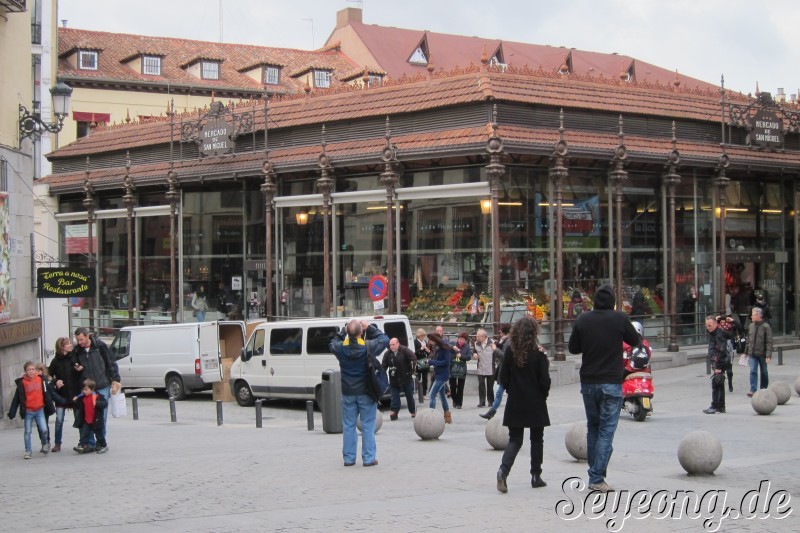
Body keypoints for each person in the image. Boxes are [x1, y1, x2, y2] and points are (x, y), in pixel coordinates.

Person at [568, 284, 640, 493]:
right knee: (606, 431)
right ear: (613, 300)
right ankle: (597, 477)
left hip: (589, 382)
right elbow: (634, 340)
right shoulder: (619, 318)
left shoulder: (583, 319)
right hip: (611, 382)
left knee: (593, 428)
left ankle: (596, 472)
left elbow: (573, 348)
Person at [496, 317, 551, 493]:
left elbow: (502, 378)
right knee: (537, 439)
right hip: (536, 402)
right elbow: (545, 381)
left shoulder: (511, 353)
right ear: (533, 333)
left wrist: (511, 391)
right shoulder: (539, 353)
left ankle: (503, 471)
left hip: (516, 401)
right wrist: (543, 394)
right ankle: (536, 475)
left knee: (515, 439)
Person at [328, 319, 389, 467]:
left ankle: (349, 459)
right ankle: (368, 458)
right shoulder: (368, 347)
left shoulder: (341, 348)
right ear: (361, 332)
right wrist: (370, 327)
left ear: (348, 333)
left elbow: (331, 343)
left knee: (348, 425)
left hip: (348, 392)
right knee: (368, 425)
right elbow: (385, 339)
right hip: (366, 392)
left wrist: (343, 331)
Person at [72, 327, 120, 447]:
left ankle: (101, 442)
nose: (79, 342)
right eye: (78, 340)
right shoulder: (77, 350)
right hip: (88, 387)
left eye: (81, 339)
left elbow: (111, 362)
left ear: (88, 336)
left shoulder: (100, 346)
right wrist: (76, 367)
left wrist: (115, 379)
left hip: (102, 384)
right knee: (88, 415)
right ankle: (90, 443)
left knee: (100, 416)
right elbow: (73, 363)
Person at [7, 361, 55, 459]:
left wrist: (53, 405)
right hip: (28, 410)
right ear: (25, 371)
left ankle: (45, 444)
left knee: (44, 429)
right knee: (27, 432)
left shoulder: (41, 380)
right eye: (29, 370)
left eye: (33, 369)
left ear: (36, 371)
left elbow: (48, 394)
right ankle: (28, 451)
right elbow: (16, 399)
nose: (31, 372)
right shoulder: (22, 383)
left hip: (40, 409)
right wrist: (12, 412)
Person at [48, 337, 81, 452]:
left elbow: (81, 370)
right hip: (61, 395)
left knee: (79, 418)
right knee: (59, 420)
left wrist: (80, 369)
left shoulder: (74, 357)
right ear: (61, 347)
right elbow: (48, 375)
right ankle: (57, 443)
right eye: (68, 344)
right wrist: (55, 381)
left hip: (75, 393)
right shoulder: (55, 361)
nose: (71, 345)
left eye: (71, 343)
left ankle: (83, 441)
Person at [480, 323, 511, 420]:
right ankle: (491, 412)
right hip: (505, 371)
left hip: (506, 371)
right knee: (500, 393)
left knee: (502, 393)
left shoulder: (508, 341)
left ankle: (492, 412)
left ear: (504, 332)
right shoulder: (505, 341)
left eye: (500, 331)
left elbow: (505, 356)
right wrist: (497, 345)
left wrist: (495, 349)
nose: (499, 333)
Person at [382, 337, 417, 420]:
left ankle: (413, 411)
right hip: (394, 378)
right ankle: (394, 411)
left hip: (406, 377)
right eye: (390, 345)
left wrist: (412, 371)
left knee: (409, 396)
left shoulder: (405, 350)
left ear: (398, 344)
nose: (391, 346)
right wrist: (381, 375)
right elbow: (383, 366)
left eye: (393, 345)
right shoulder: (388, 353)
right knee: (394, 397)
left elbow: (414, 359)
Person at [703, 316, 731, 414]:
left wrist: (716, 365)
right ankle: (720, 406)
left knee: (717, 383)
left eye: (709, 325)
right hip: (719, 361)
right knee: (719, 383)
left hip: (720, 362)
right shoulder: (714, 333)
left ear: (715, 324)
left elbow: (720, 350)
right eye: (706, 326)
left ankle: (716, 405)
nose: (708, 327)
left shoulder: (718, 334)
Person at [72, 378, 109, 454]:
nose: (84, 391)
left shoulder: (97, 396)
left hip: (96, 420)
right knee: (84, 434)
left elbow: (105, 404)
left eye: (86, 390)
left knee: (99, 435)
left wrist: (97, 403)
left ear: (92, 390)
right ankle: (83, 445)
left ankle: (103, 445)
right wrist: (76, 400)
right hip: (87, 420)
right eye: (83, 390)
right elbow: (79, 406)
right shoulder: (83, 397)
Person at [745, 306, 773, 397]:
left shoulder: (766, 327)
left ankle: (763, 389)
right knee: (753, 370)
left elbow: (769, 341)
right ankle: (753, 389)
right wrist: (745, 352)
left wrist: (768, 355)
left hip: (762, 354)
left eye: (753, 315)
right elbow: (748, 340)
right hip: (752, 353)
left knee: (764, 372)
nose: (751, 317)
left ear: (758, 316)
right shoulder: (751, 326)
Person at [426, 332, 453, 424]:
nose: (429, 342)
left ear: (435, 339)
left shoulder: (444, 348)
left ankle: (431, 415)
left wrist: (432, 362)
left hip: (443, 374)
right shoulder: (437, 347)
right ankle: (447, 415)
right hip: (438, 373)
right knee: (442, 396)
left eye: (430, 340)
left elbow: (446, 362)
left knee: (431, 395)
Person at [448, 332, 472, 409]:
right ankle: (454, 399)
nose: (461, 340)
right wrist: (455, 351)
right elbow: (448, 349)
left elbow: (468, 357)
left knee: (461, 387)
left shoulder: (467, 347)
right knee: (452, 386)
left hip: (462, 368)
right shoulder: (453, 344)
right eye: (460, 339)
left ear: (465, 340)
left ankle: (459, 403)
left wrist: (461, 356)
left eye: (462, 339)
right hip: (453, 367)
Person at [473, 328, 495, 408]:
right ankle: (482, 402)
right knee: (481, 385)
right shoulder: (476, 343)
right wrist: (474, 354)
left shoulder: (492, 343)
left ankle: (491, 401)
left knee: (490, 386)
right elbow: (474, 352)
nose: (477, 338)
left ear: (483, 337)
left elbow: (496, 352)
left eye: (478, 336)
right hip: (481, 367)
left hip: (490, 368)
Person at [413, 328, 431, 400]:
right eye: (421, 336)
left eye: (423, 336)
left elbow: (427, 353)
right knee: (418, 378)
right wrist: (421, 349)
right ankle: (418, 392)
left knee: (425, 378)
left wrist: (428, 351)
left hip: (424, 360)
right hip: (418, 361)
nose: (423, 337)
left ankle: (424, 393)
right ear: (418, 336)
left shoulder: (425, 342)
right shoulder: (415, 342)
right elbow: (414, 352)